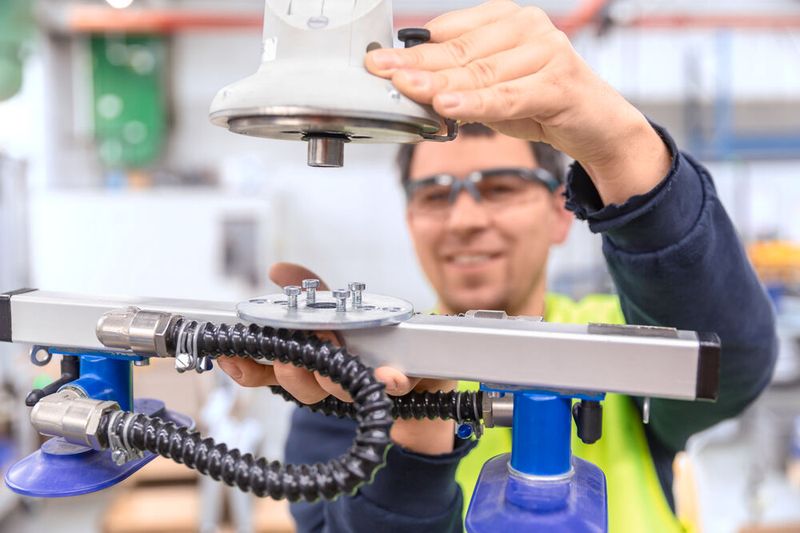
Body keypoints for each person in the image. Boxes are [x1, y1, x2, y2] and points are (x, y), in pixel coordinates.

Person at [217, 1, 778, 531]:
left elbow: (733, 359)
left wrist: (619, 146)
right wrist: (414, 446)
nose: (464, 219)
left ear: (562, 213)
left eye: (501, 187)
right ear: (410, 218)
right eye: (435, 195)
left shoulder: (623, 346)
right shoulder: (345, 378)